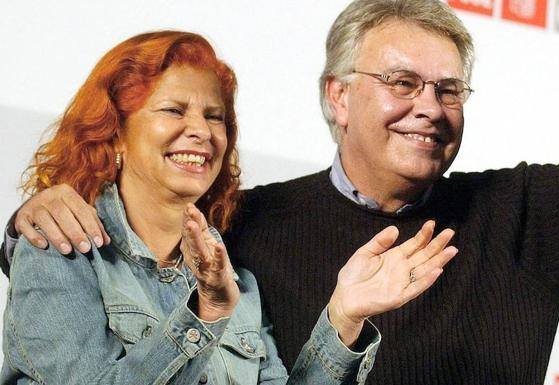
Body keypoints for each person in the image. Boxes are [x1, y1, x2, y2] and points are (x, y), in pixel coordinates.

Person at [2, 1, 559, 384]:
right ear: (339, 96)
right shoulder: (240, 228)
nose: (428, 108)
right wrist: (32, 222)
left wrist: (343, 319)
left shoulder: (529, 218)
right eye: (402, 82)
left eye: (449, 90)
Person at [0, 30, 459, 385]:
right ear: (115, 131)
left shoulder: (236, 282)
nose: (201, 131)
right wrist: (204, 315)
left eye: (214, 116)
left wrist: (342, 317)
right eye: (174, 111)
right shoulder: (58, 251)